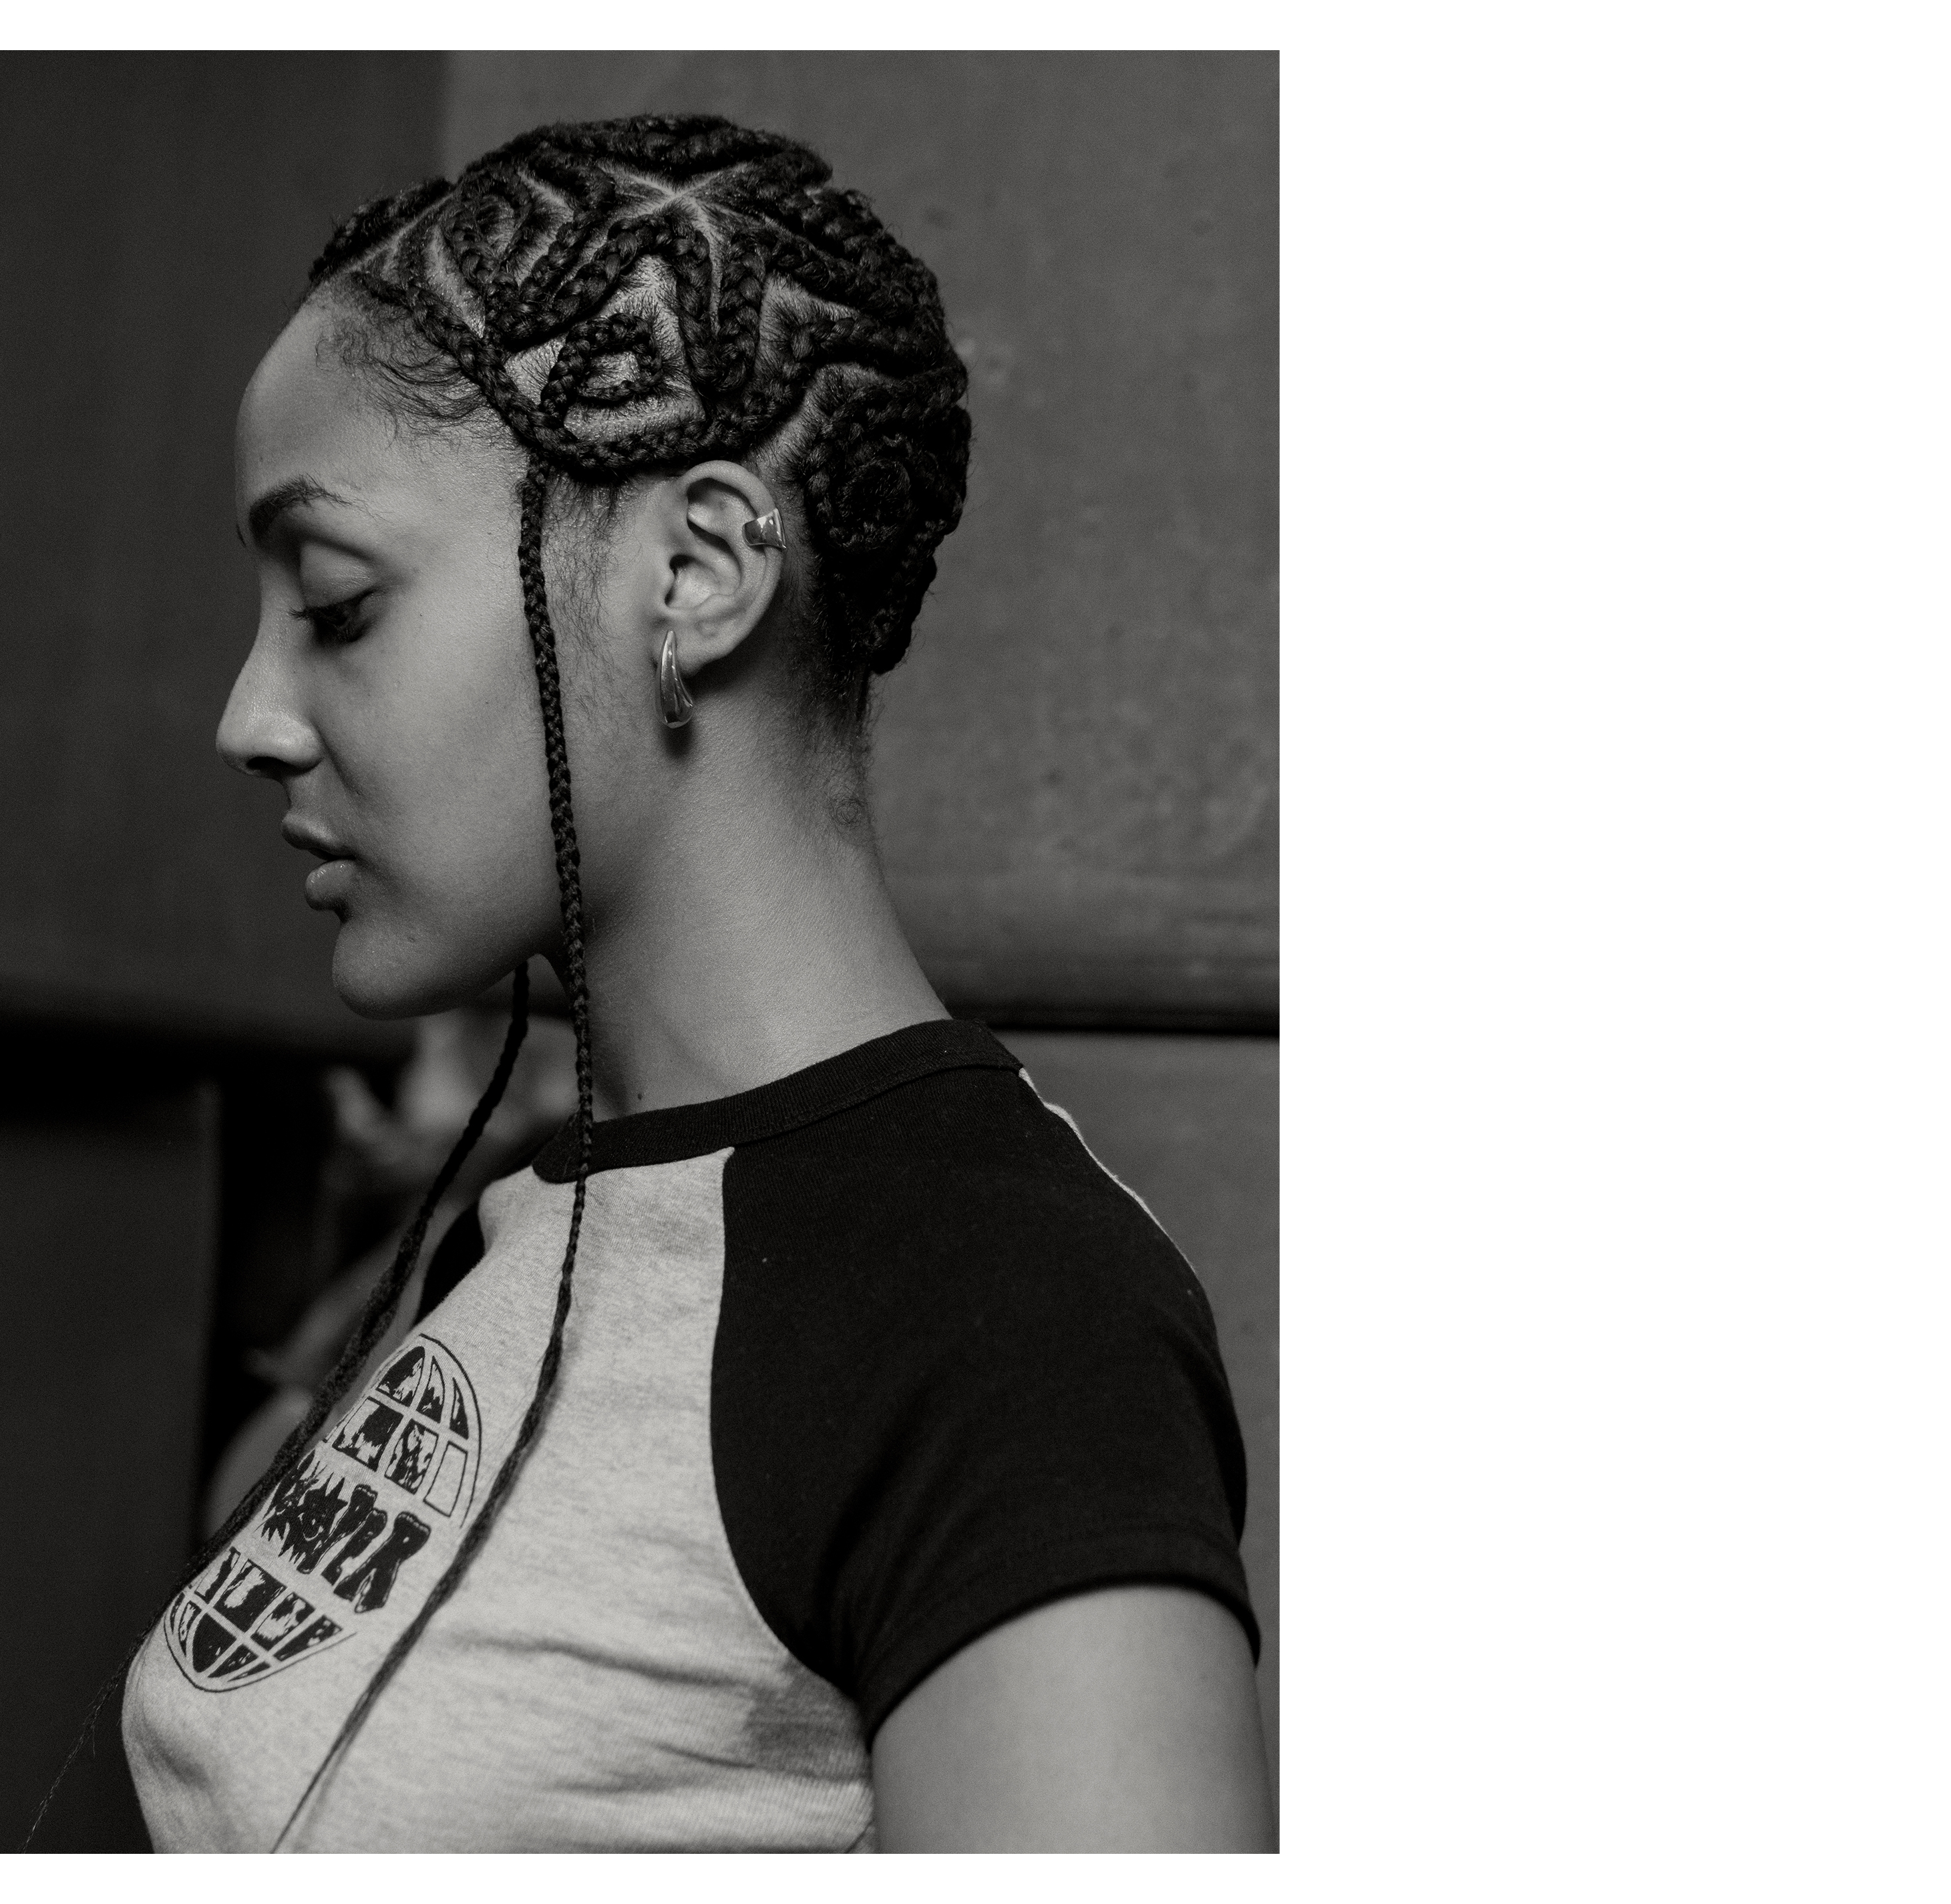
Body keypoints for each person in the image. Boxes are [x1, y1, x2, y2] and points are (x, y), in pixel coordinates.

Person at [120, 114, 1271, 1852]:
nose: (250, 717)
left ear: (699, 572)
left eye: (337, 605)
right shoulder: (530, 1222)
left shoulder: (1005, 1318)